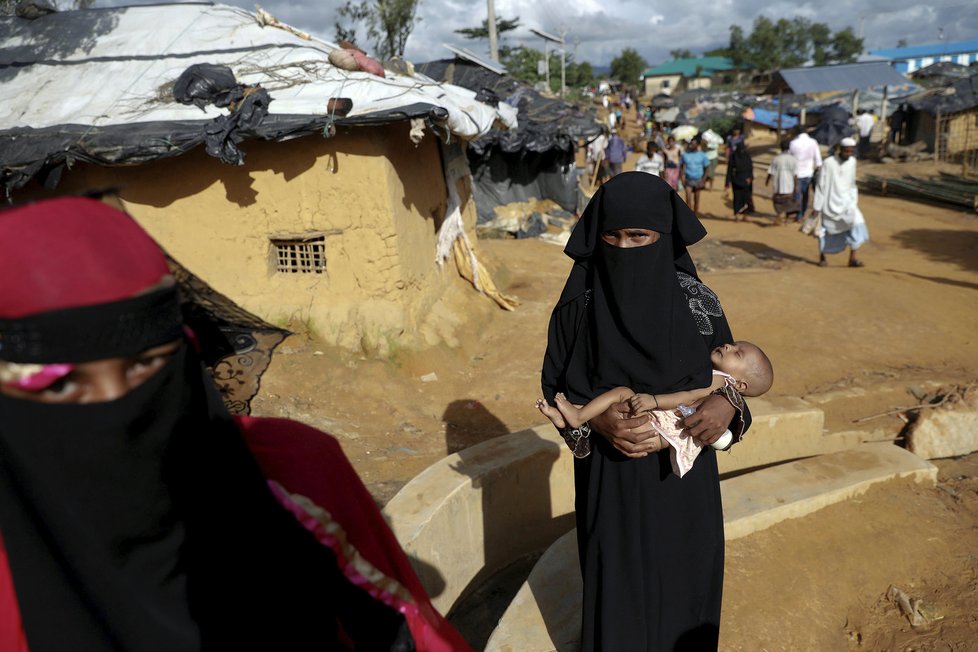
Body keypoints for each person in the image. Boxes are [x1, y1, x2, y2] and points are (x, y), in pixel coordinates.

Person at [0, 198, 470, 652]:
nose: (116, 406)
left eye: (146, 367)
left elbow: (406, 630)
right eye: (59, 386)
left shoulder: (297, 476)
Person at [541, 172, 752, 650]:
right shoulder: (578, 307)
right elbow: (554, 385)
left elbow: (734, 380)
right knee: (618, 598)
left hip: (685, 483)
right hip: (610, 482)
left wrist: (724, 407)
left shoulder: (699, 303)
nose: (623, 246)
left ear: (664, 237)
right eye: (612, 236)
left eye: (639, 236)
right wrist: (597, 419)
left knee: (685, 598)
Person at [537, 340, 772, 477]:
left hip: (663, 422)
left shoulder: (718, 380)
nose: (728, 345)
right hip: (666, 433)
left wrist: (654, 401)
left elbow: (687, 396)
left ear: (740, 385)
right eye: (734, 345)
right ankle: (569, 417)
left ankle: (577, 416)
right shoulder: (719, 379)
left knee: (622, 394)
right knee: (620, 404)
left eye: (737, 353)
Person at [813, 137, 869, 268]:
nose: (848, 154)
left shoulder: (853, 162)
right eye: (846, 151)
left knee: (857, 224)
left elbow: (852, 182)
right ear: (840, 150)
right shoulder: (828, 163)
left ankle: (852, 258)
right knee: (824, 231)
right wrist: (817, 205)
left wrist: (853, 200)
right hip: (829, 202)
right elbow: (821, 184)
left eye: (851, 152)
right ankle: (822, 258)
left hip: (847, 202)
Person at [789, 129, 822, 221]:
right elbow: (818, 159)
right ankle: (802, 213)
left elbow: (790, 157)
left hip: (797, 173)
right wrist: (818, 170)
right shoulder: (813, 142)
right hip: (809, 173)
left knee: (797, 194)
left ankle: (798, 214)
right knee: (806, 194)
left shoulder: (793, 143)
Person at [766, 140, 799, 225]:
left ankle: (781, 215)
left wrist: (767, 181)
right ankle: (785, 217)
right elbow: (795, 174)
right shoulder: (793, 159)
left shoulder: (776, 159)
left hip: (778, 184)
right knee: (788, 200)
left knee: (778, 201)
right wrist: (795, 185)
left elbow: (770, 171)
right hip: (789, 184)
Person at [680, 139, 710, 214]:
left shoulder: (702, 155)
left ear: (697, 145)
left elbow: (707, 168)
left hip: (698, 180)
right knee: (688, 199)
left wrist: (703, 180)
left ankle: (695, 215)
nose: (691, 145)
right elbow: (681, 167)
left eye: (693, 144)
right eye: (690, 144)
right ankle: (689, 216)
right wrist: (682, 179)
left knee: (696, 200)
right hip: (688, 180)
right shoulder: (685, 155)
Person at [725, 146, 754, 220]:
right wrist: (727, 183)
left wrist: (750, 178)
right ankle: (738, 215)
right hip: (738, 180)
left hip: (743, 181)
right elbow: (729, 170)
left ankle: (744, 215)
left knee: (744, 198)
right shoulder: (735, 157)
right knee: (738, 198)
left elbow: (750, 168)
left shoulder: (745, 156)